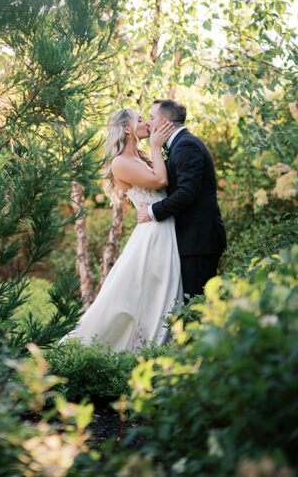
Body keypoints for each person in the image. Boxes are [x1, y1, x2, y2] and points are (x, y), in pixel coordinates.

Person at [61, 108, 182, 352]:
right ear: (127, 129)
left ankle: (157, 350)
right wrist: (157, 148)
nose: (146, 123)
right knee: (136, 297)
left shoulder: (139, 157)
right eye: (140, 119)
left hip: (164, 230)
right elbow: (160, 181)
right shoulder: (120, 163)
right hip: (153, 236)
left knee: (160, 294)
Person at [138, 99, 226, 298]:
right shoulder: (179, 145)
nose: (149, 123)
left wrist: (151, 212)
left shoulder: (187, 145)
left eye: (152, 118)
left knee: (195, 306)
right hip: (190, 240)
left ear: (166, 122)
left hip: (198, 241)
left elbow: (187, 193)